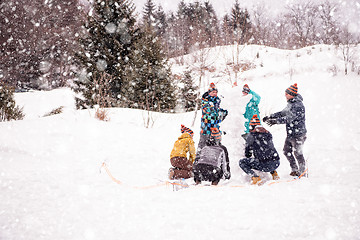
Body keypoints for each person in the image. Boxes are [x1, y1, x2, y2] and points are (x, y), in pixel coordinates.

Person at [263, 83, 307, 177]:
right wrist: (271, 117)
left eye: (286, 94)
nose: (285, 96)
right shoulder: (291, 103)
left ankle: (303, 172)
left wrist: (274, 122)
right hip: (291, 134)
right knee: (286, 151)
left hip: (298, 134)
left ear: (291, 94)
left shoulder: (298, 105)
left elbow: (289, 118)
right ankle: (294, 169)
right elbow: (283, 113)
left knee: (298, 153)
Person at [239, 114, 280, 185]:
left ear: (252, 127)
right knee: (268, 154)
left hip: (265, 165)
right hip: (276, 162)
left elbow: (247, 154)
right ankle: (274, 174)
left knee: (242, 162)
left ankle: (255, 178)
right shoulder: (268, 134)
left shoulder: (251, 136)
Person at [196, 83, 228, 161]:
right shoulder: (205, 101)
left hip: (215, 128)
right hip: (206, 128)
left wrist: (225, 112)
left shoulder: (217, 101)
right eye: (213, 92)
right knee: (202, 144)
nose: (215, 94)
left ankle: (214, 162)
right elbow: (210, 112)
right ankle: (197, 161)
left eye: (216, 92)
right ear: (209, 92)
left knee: (217, 146)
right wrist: (219, 112)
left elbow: (220, 112)